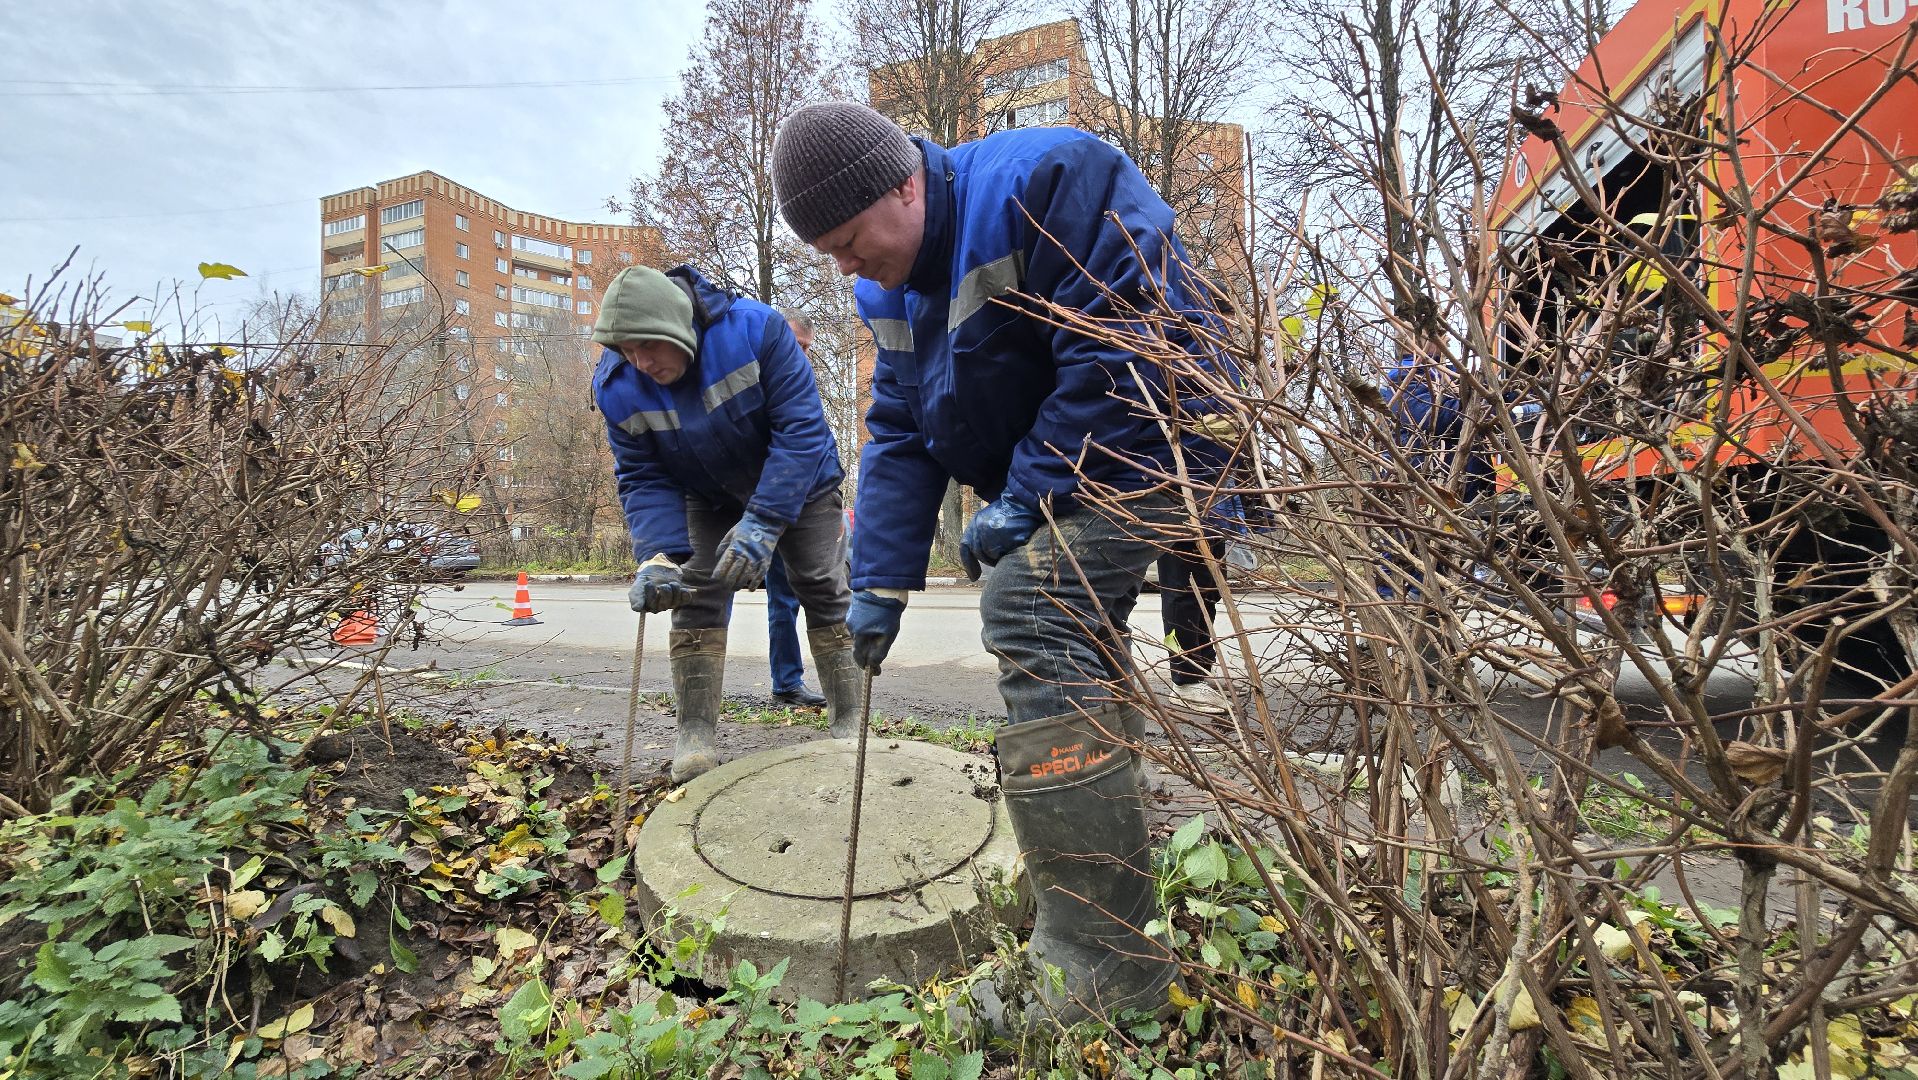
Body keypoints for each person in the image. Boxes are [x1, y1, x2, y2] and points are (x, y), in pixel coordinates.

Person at [773, 102, 1226, 1028]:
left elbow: (1127, 343)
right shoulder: (887, 292)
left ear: (905, 184)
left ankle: (1104, 959)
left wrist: (1029, 492)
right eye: (828, 253)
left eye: (850, 241)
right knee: (1077, 634)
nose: (845, 266)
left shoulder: (1046, 181)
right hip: (1069, 470)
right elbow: (900, 430)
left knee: (1030, 605)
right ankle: (1111, 845)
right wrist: (878, 582)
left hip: (1160, 442)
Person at [593, 263, 859, 784]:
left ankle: (850, 719)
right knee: (694, 593)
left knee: (820, 584)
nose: (640, 362)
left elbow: (802, 431)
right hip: (706, 491)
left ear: (676, 326)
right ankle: (695, 734)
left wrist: (764, 520)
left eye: (648, 346)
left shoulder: (756, 332)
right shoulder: (619, 386)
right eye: (626, 350)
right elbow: (643, 476)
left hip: (800, 479)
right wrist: (657, 556)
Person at [758, 310, 831, 709]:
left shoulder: (802, 384)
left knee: (811, 595)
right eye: (795, 343)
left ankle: (794, 683)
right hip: (759, 503)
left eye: (806, 348)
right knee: (715, 596)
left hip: (802, 505)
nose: (800, 354)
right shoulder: (755, 379)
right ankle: (785, 683)